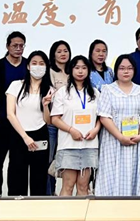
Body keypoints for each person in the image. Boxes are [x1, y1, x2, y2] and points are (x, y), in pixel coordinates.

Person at [97, 54, 140, 196]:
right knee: (112, 174)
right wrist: (120, 137)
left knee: (133, 173)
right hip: (113, 141)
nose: (126, 71)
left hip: (135, 141)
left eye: (129, 68)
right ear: (116, 70)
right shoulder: (108, 90)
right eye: (122, 68)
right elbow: (104, 117)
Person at [51, 56, 101, 196]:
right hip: (68, 145)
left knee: (83, 187)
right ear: (71, 70)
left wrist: (96, 130)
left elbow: (101, 117)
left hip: (89, 145)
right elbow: (55, 119)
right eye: (77, 68)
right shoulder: (62, 92)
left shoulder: (95, 93)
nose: (80, 71)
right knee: (68, 186)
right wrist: (71, 130)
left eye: (84, 68)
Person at [5, 50, 53, 196]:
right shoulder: (16, 85)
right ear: (28, 66)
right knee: (17, 178)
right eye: (34, 63)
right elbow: (10, 114)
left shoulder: (50, 90)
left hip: (40, 134)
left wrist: (45, 105)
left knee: (39, 179)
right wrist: (25, 137)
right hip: (19, 135)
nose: (38, 67)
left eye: (42, 64)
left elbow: (48, 120)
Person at [0, 31, 27, 195]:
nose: (18, 48)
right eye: (15, 45)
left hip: (22, 121)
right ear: (7, 46)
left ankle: (14, 194)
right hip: (2, 120)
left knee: (17, 161)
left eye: (21, 45)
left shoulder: (28, 65)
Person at [47, 40, 71, 194]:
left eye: (65, 51)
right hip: (53, 122)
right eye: (59, 51)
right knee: (50, 159)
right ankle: (49, 193)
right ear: (53, 54)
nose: (63, 54)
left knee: (67, 158)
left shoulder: (73, 71)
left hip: (70, 123)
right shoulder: (49, 71)